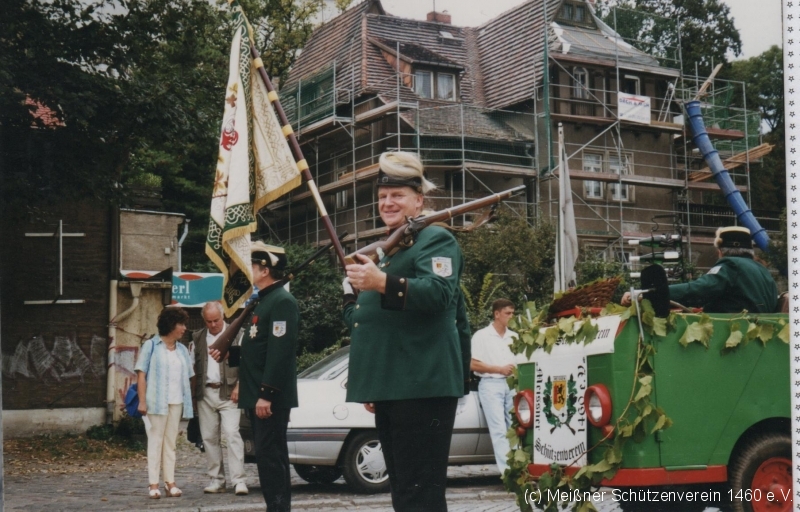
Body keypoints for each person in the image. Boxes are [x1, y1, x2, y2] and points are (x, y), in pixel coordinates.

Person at [343, 151, 470, 512]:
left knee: (420, 493)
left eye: (397, 195)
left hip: (423, 384)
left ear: (419, 200)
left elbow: (440, 293)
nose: (388, 202)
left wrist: (381, 282)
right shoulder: (392, 248)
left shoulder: (435, 239)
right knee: (403, 490)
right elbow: (374, 320)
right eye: (383, 196)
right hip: (396, 385)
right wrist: (375, 384)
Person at [214, 241, 299, 512]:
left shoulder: (281, 302)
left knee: (271, 457)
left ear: (265, 270)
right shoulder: (263, 300)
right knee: (266, 456)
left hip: (268, 396)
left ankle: (279, 508)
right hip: (256, 393)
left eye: (252, 265)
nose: (247, 269)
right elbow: (258, 346)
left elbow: (280, 352)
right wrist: (231, 355)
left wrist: (267, 393)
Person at [622, 226, 778, 313]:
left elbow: (698, 290)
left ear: (720, 251)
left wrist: (644, 294)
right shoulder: (763, 271)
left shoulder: (731, 265)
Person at [134, 307, 195, 499]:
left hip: (176, 402)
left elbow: (189, 376)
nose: (184, 328)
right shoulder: (151, 346)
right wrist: (142, 401)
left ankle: (170, 482)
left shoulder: (182, 350)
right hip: (155, 402)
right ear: (170, 325)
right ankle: (153, 484)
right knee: (155, 442)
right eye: (181, 324)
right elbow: (141, 375)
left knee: (170, 443)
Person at [193, 301, 248, 496]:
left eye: (216, 320)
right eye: (209, 321)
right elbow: (194, 367)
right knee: (209, 438)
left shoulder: (238, 334)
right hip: (206, 392)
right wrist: (194, 395)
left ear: (223, 316)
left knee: (232, 434)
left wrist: (240, 386)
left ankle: (239, 480)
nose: (213, 324)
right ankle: (216, 480)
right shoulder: (198, 337)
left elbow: (247, 362)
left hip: (229, 392)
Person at [470, 298, 519, 475]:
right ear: (497, 314)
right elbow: (473, 364)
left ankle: (518, 469)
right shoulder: (481, 336)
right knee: (498, 429)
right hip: (490, 384)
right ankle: (508, 473)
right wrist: (499, 369)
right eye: (507, 313)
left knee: (515, 428)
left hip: (511, 384)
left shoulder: (514, 337)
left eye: (513, 313)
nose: (511, 316)